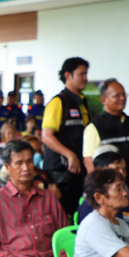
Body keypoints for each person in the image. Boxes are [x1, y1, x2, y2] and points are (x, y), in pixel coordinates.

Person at [82, 79, 129, 210]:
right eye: (117, 95)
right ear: (104, 100)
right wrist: (101, 189)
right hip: (110, 193)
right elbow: (89, 162)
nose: (122, 98)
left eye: (124, 95)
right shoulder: (95, 126)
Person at [42, 57, 90, 217]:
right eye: (81, 74)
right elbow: (46, 136)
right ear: (68, 75)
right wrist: (70, 155)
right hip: (60, 173)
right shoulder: (58, 102)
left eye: (86, 74)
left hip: (78, 172)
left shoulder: (82, 102)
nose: (85, 78)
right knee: (61, 215)